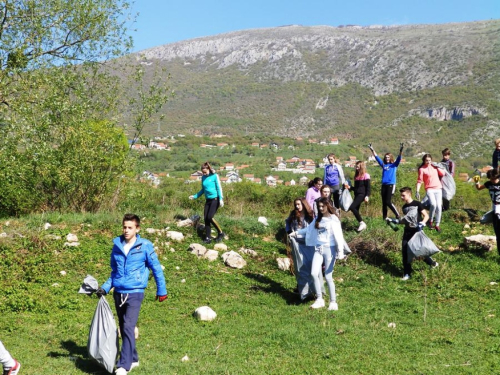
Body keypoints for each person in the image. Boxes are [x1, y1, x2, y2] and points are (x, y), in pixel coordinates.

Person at [96, 214, 167, 375]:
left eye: (130, 227)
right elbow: (114, 272)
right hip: (118, 293)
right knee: (124, 327)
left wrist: (161, 290)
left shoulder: (145, 246)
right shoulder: (117, 245)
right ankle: (133, 358)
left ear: (137, 229)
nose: (126, 230)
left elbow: (156, 268)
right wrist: (105, 288)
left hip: (135, 293)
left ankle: (123, 365)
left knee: (128, 326)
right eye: (124, 227)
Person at [291, 197, 346, 310]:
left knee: (328, 276)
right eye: (319, 206)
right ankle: (319, 299)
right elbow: (308, 230)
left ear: (328, 206)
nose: (321, 208)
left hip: (329, 250)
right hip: (318, 249)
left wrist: (340, 252)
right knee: (313, 273)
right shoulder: (318, 219)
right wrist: (296, 233)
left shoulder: (333, 220)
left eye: (323, 206)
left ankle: (333, 302)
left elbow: (339, 237)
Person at [387, 187, 438, 280]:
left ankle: (433, 263)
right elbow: (406, 221)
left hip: (417, 231)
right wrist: (394, 221)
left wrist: (422, 223)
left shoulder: (417, 204)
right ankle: (407, 273)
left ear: (409, 194)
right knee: (405, 252)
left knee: (420, 251)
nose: (401, 197)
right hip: (407, 232)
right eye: (401, 195)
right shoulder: (404, 207)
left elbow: (426, 215)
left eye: (403, 195)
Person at [285, 198, 318, 300]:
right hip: (297, 243)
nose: (297, 206)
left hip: (309, 244)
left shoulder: (310, 216)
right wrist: (289, 232)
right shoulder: (293, 215)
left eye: (299, 204)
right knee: (300, 267)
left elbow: (313, 228)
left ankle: (314, 291)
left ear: (304, 204)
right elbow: (287, 223)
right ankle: (303, 291)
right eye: (296, 204)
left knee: (310, 266)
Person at [189, 162, 225, 244]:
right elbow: (203, 190)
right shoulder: (203, 178)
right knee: (206, 219)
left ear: (208, 169)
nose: (204, 173)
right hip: (208, 200)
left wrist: (221, 199)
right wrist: (194, 196)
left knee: (210, 217)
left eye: (205, 172)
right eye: (203, 172)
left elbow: (219, 188)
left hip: (215, 199)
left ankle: (221, 233)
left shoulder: (214, 176)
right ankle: (208, 238)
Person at [368, 143, 403, 220]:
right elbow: (376, 157)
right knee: (384, 202)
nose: (387, 158)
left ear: (390, 158)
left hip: (391, 184)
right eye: (386, 157)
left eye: (388, 157)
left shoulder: (394, 165)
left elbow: (399, 158)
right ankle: (384, 217)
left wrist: (401, 150)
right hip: (384, 185)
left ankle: (397, 215)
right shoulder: (384, 165)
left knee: (388, 201)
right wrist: (372, 149)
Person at [474, 167, 500, 255]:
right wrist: (477, 181)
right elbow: (479, 188)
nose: (493, 180)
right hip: (495, 209)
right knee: (497, 233)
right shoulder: (489, 184)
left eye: (494, 179)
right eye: (491, 179)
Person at [416, 154, 445, 232]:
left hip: (438, 188)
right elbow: (419, 181)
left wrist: (438, 167)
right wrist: (417, 191)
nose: (428, 162)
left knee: (439, 206)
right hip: (429, 189)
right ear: (424, 161)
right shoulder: (422, 169)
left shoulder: (434, 167)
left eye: (429, 160)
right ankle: (430, 220)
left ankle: (437, 225)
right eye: (426, 160)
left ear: (431, 160)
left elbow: (443, 174)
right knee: (433, 204)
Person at [345, 161, 371, 232]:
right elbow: (356, 188)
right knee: (356, 210)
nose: (356, 168)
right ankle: (361, 226)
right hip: (356, 194)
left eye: (358, 166)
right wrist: (350, 187)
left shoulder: (366, 175)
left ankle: (362, 223)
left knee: (352, 207)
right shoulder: (356, 177)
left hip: (362, 195)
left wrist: (367, 196)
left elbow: (368, 188)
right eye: (356, 166)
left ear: (361, 167)